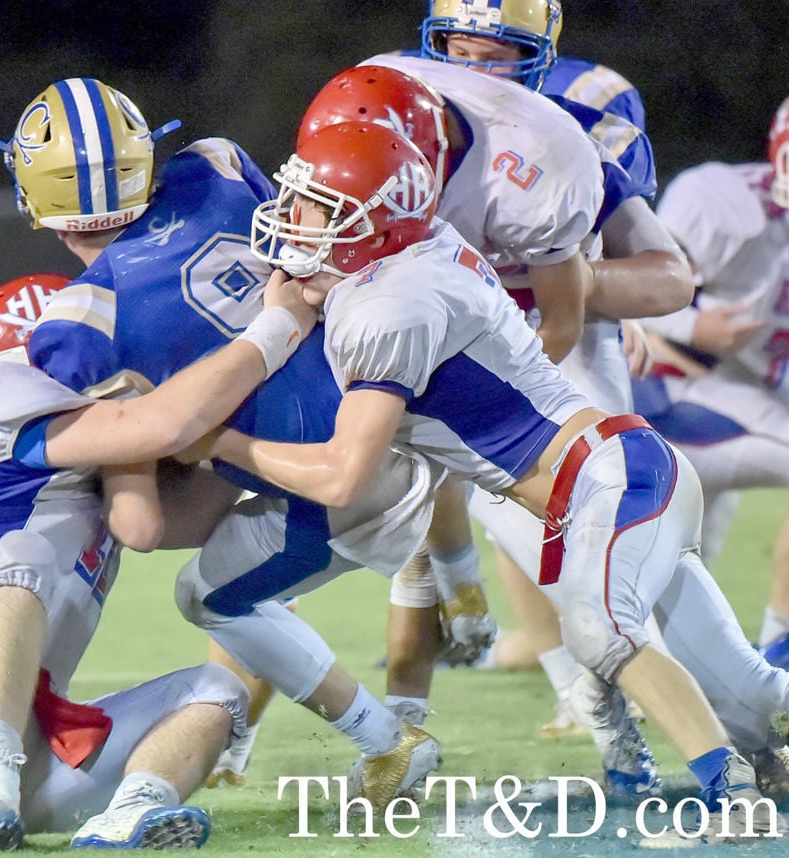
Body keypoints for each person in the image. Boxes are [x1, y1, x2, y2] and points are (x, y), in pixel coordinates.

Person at [189, 120, 789, 842]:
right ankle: (751, 766)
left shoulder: (385, 308)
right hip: (616, 476)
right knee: (750, 691)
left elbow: (343, 475)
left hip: (610, 479)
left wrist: (218, 439)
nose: (294, 219)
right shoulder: (417, 253)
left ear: (372, 218)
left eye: (316, 204)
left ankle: (730, 797)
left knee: (600, 632)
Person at [0, 77, 446, 811]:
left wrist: (137, 451)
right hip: (397, 403)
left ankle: (386, 739)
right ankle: (437, 603)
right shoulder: (219, 166)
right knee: (237, 559)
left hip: (330, 478)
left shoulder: (78, 323)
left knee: (210, 598)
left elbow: (141, 526)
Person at [0, 267, 318, 851]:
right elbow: (151, 424)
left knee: (218, 692)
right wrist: (275, 332)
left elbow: (165, 522)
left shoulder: (96, 458)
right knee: (13, 556)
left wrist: (259, 423)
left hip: (33, 737)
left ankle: (131, 812)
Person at [362, 0, 694, 753]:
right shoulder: (398, 91)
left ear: (539, 49)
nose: (473, 69)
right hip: (443, 332)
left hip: (553, 332)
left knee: (603, 531)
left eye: (497, 52)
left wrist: (574, 286)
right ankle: (448, 706)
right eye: (458, 47)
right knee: (443, 517)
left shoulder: (585, 104)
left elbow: (659, 272)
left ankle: (677, 693)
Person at [633, 95, 789, 658]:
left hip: (735, 405)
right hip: (668, 396)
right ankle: (779, 658)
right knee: (657, 590)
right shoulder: (722, 205)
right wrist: (696, 325)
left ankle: (569, 680)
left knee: (673, 593)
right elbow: (632, 287)